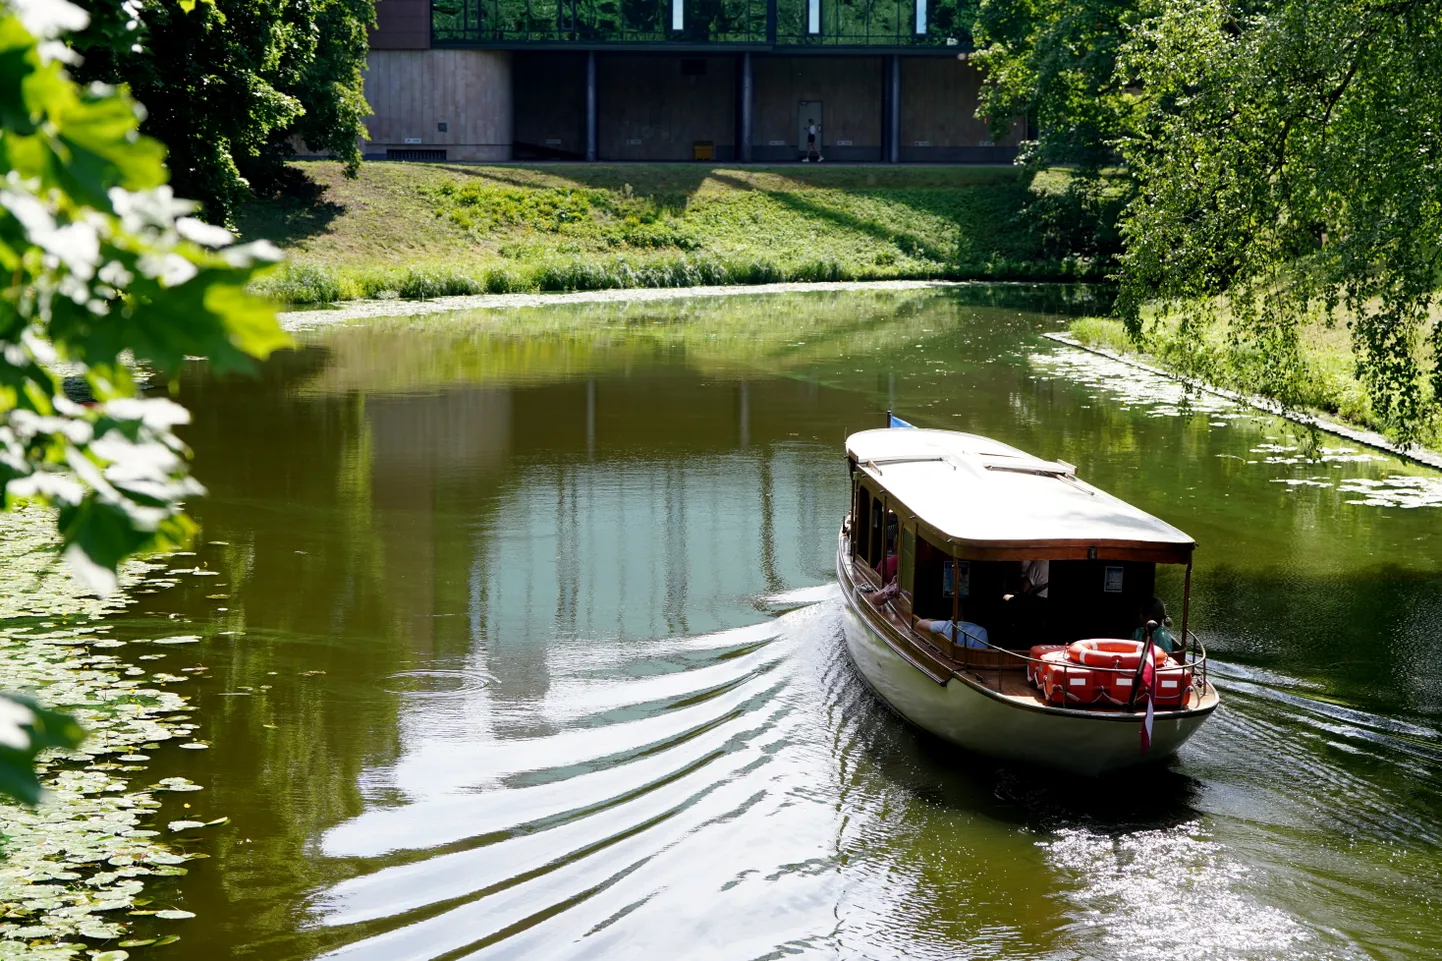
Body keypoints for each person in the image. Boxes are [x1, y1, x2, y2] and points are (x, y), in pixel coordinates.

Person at [915, 606, 990, 649]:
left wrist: (940, 621)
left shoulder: (947, 625)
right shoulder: (981, 631)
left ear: (959, 614)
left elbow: (920, 623)